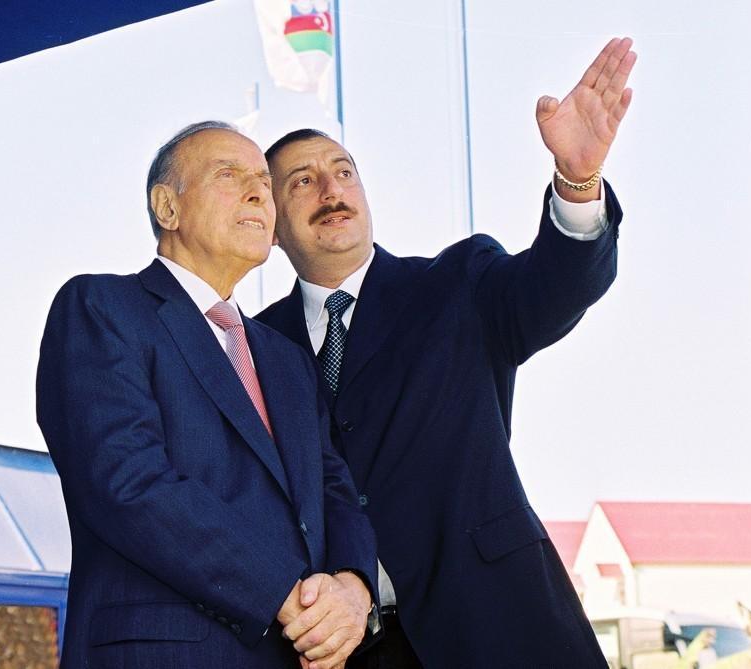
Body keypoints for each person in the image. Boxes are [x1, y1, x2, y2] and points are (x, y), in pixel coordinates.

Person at [256, 38, 637, 667]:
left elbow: (557, 285)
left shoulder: (458, 282)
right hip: (347, 652)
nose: (331, 189)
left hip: (504, 630)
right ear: (270, 223)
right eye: (302, 181)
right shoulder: (254, 347)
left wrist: (577, 180)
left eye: (344, 172)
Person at [36, 121, 379, 669]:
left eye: (264, 182)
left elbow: (334, 487)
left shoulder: (287, 358)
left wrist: (353, 590)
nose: (258, 192)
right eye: (229, 175)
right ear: (167, 207)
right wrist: (285, 595)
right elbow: (128, 482)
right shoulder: (101, 308)